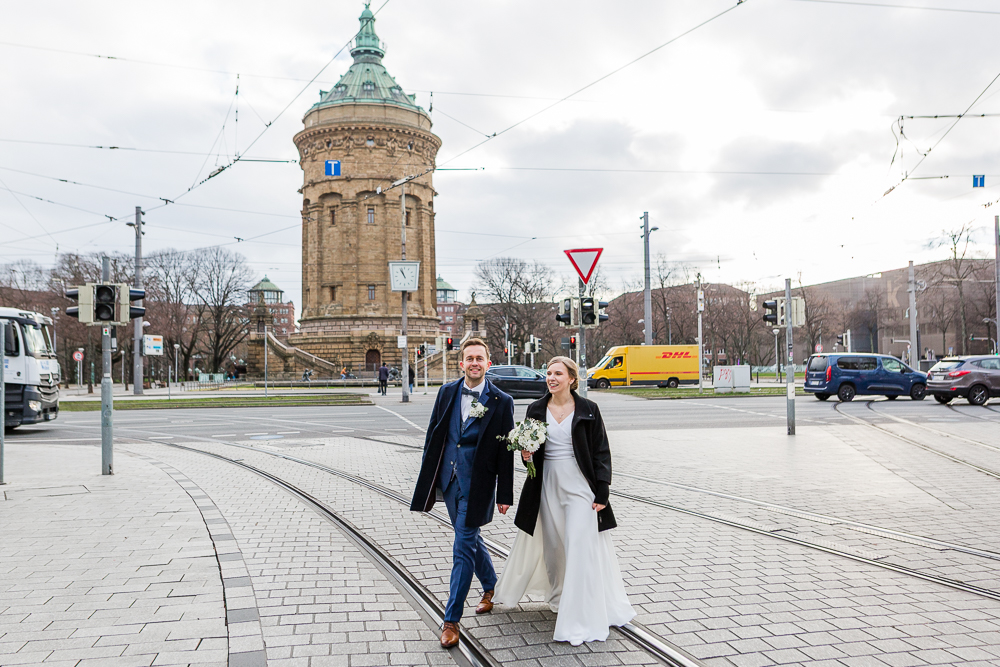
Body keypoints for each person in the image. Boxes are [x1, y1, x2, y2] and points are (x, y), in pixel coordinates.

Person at [494, 356, 634, 645]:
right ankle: (559, 597)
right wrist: (526, 454)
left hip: (580, 487)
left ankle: (581, 614)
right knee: (555, 548)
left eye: (558, 373)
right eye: (548, 373)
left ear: (572, 378)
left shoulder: (588, 409)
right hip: (547, 486)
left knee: (580, 546)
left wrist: (603, 490)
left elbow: (601, 451)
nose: (551, 378)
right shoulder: (536, 409)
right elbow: (531, 456)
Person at [409, 338, 515, 648]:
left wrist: (504, 494)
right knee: (469, 539)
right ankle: (491, 586)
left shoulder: (502, 401)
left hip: (479, 483)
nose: (474, 363)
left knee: (462, 546)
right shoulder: (447, 392)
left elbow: (506, 450)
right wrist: (429, 477)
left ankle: (451, 620)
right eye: (470, 358)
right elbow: (435, 434)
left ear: (488, 363)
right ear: (461, 363)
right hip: (449, 479)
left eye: (480, 358)